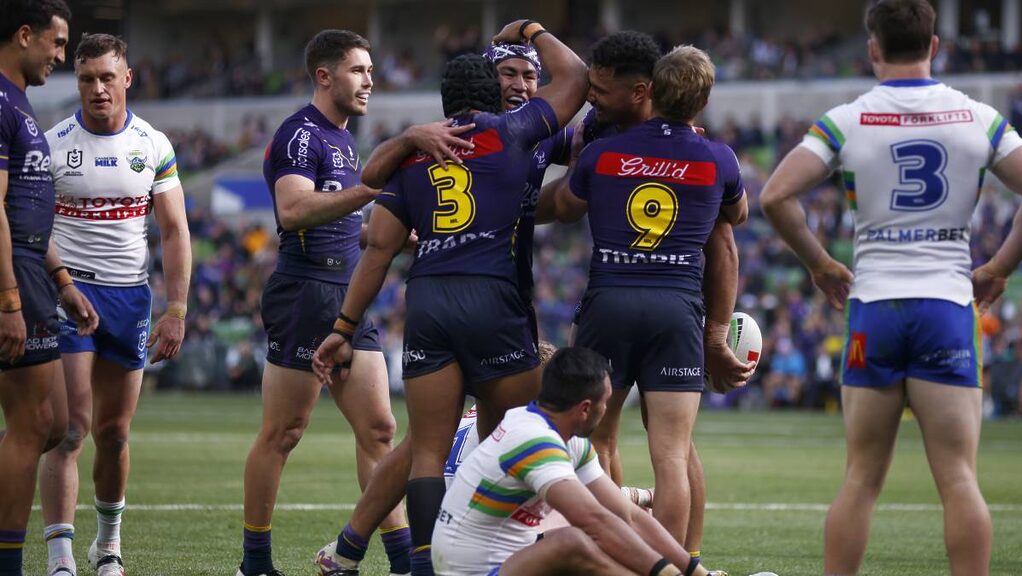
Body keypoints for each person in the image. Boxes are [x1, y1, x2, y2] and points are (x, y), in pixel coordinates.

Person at [314, 20, 588, 576]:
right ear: (492, 86)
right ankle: (510, 545)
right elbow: (580, 83)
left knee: (427, 447)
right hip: (497, 298)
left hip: (431, 299)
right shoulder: (518, 132)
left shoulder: (415, 157)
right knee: (519, 430)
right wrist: (533, 29)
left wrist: (343, 327)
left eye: (528, 75)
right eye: (507, 74)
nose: (520, 84)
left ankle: (395, 557)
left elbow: (376, 242)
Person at [760, 1, 1022, 574]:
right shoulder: (977, 116)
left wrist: (821, 263)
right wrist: (1000, 265)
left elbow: (775, 196)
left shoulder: (849, 119)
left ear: (872, 49)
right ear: (935, 47)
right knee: (959, 479)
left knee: (860, 479)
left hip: (875, 305)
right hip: (948, 305)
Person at [554, 32, 753, 557]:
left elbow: (566, 206)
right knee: (672, 456)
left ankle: (618, 558)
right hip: (677, 311)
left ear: (651, 92)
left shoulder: (602, 153)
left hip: (610, 302)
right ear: (703, 102)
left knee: (597, 441)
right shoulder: (719, 158)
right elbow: (737, 217)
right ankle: (674, 565)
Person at [239, 30, 424, 576]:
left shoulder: (344, 139)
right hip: (305, 293)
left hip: (348, 293)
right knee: (284, 433)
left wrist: (387, 231)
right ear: (325, 76)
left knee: (380, 430)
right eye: (358, 70)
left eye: (370, 70)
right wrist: (374, 192)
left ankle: (400, 560)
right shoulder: (301, 134)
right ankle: (255, 563)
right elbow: (293, 211)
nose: (370, 80)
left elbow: (340, 219)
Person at [37, 33, 191, 576]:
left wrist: (176, 308)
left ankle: (108, 547)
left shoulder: (153, 144)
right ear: (75, 82)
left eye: (107, 77)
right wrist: (61, 285)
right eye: (86, 78)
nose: (98, 88)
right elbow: (31, 227)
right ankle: (60, 557)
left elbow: (174, 230)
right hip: (70, 295)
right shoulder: (52, 143)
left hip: (131, 298)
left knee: (116, 432)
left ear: (127, 78)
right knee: (72, 426)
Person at [432, 346, 725, 576]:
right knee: (573, 542)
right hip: (473, 572)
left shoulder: (567, 438)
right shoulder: (534, 441)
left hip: (511, 559)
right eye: (606, 401)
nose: (607, 409)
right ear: (585, 408)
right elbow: (594, 519)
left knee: (612, 532)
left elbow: (628, 515)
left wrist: (695, 572)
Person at [0, 2, 98, 575]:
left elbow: (29, 209)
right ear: (24, 35)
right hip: (11, 278)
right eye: (58, 45)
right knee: (34, 424)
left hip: (34, 274)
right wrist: (10, 298)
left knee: (54, 423)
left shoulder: (21, 105)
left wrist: (61, 281)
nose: (61, 57)